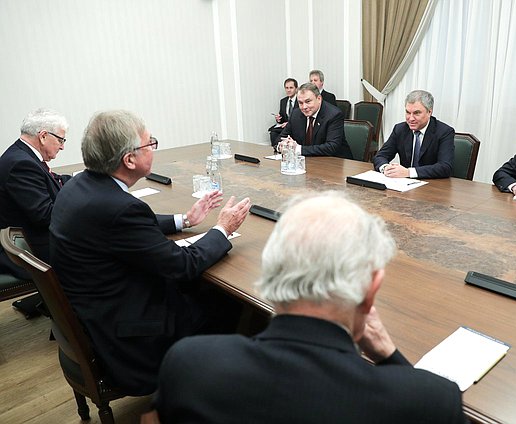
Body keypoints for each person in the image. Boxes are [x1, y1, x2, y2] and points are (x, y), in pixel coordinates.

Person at [153, 192, 466, 424]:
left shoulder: (188, 365)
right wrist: (388, 356)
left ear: (272, 271)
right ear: (371, 291)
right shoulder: (430, 401)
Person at [49, 110, 251, 395]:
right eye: (150, 144)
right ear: (129, 159)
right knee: (231, 300)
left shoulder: (80, 186)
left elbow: (126, 224)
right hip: (133, 337)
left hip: (102, 310)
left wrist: (185, 220)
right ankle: (211, 388)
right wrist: (223, 229)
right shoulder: (118, 208)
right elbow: (183, 265)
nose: (153, 148)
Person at [0, 108, 70, 317]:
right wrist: (81, 204)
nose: (63, 147)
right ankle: (76, 314)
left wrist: (80, 179)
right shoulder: (20, 163)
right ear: (43, 136)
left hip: (26, 237)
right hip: (30, 250)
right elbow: (45, 216)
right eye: (61, 140)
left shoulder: (21, 154)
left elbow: (50, 180)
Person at [373, 90, 455, 179]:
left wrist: (409, 172)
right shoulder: (400, 129)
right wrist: (386, 168)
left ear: (429, 112)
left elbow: (445, 167)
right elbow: (381, 156)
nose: (411, 118)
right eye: (408, 112)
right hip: (404, 185)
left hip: (432, 186)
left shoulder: (445, 132)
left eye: (417, 113)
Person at [278, 83, 353, 159]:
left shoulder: (334, 115)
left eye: (308, 101)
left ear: (319, 99)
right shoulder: (296, 114)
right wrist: (283, 145)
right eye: (300, 103)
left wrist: (298, 149)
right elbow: (281, 138)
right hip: (307, 162)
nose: (304, 107)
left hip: (335, 162)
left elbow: (331, 147)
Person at [268, 78, 299, 148]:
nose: (288, 90)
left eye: (291, 88)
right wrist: (278, 119)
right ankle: (276, 150)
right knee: (273, 132)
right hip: (284, 127)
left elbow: (302, 117)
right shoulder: (283, 101)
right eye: (286, 88)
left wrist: (289, 123)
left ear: (296, 89)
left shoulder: (300, 100)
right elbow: (282, 118)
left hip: (296, 126)